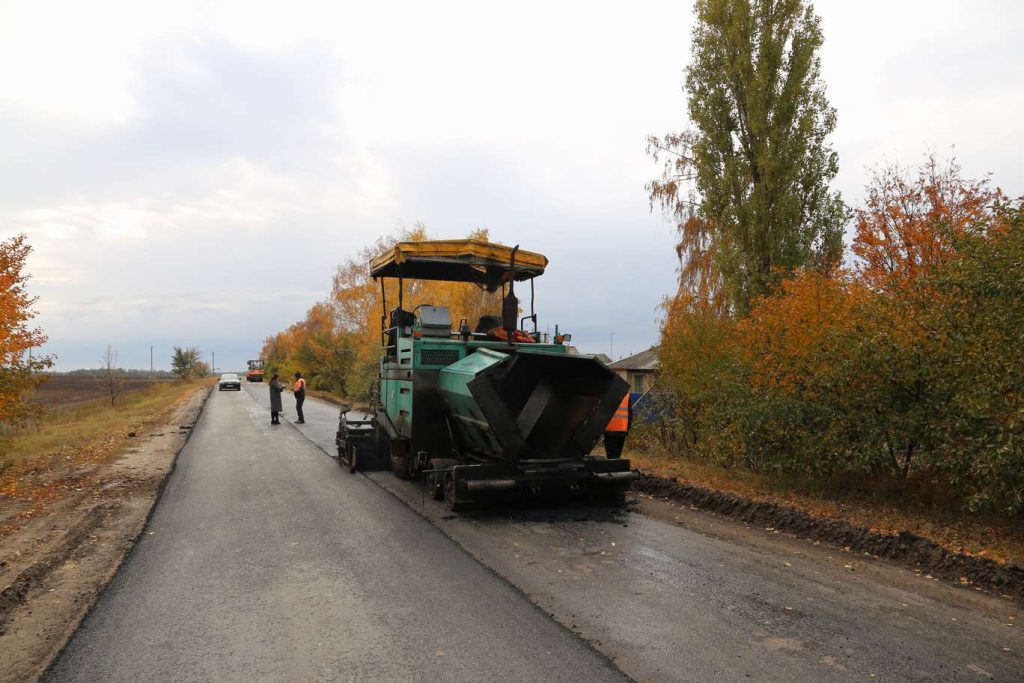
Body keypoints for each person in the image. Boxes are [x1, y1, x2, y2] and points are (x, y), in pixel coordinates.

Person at [603, 392, 630, 459]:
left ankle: (612, 468)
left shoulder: (608, 394)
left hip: (610, 430)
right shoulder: (627, 395)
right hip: (622, 430)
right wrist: (627, 428)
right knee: (617, 456)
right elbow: (630, 413)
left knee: (611, 458)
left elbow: (602, 412)